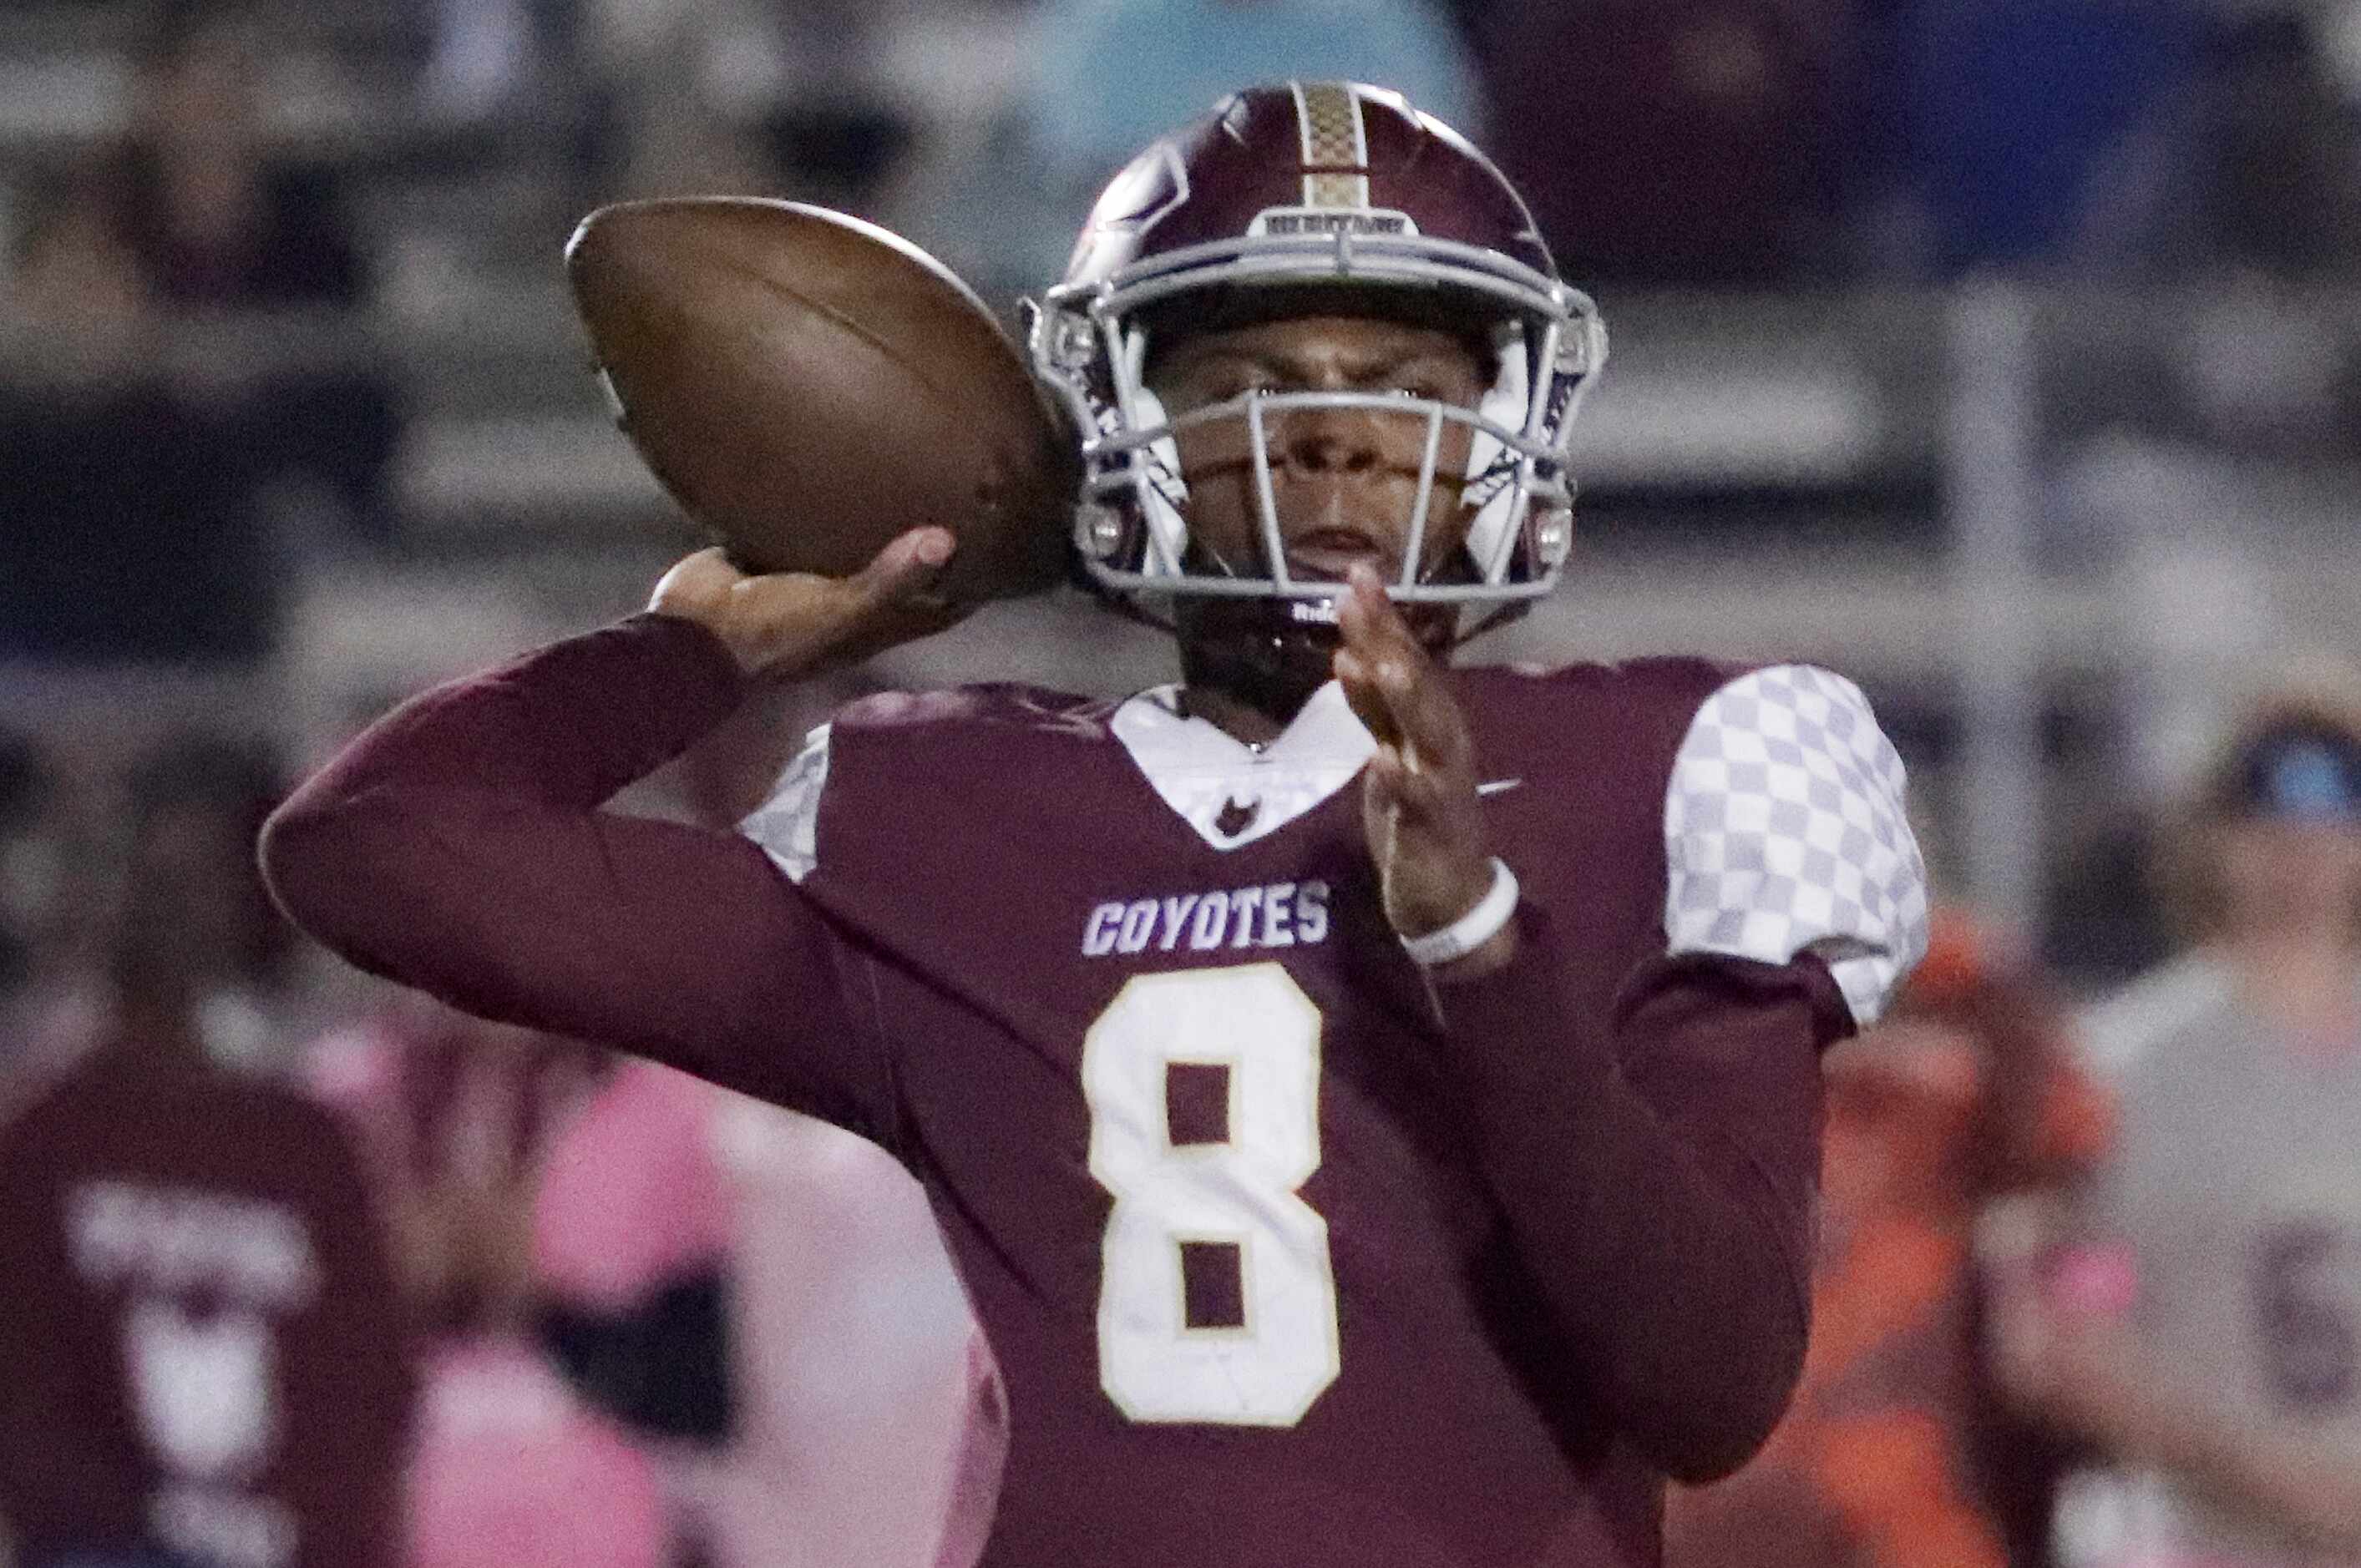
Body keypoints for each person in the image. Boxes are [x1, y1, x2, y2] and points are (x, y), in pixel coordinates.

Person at [261, 81, 1930, 1564]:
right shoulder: (946, 815)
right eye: (1254, 376)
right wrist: (687, 657)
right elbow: (373, 850)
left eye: (1404, 377)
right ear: (1124, 433)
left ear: (1504, 430)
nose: (1335, 428)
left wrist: (1479, 948)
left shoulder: (1687, 761)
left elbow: (1713, 1387)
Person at [0, 739, 415, 1568]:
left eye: (204, 885)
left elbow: (367, 1389)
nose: (177, 918)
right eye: (152, 885)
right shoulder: (46, 1135)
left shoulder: (308, 1145)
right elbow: (24, 1405)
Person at [1984, 688, 2361, 1565]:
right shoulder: (2117, 1076)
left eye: (2333, 821)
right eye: (2266, 823)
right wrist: (2268, 1476)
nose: (2300, 856)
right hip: (2200, 1536)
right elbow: (2066, 1327)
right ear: (2212, 838)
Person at [1664, 911, 2113, 1568]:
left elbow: (2073, 1136)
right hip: (1711, 1508)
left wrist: (1934, 946)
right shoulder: (1678, 1042)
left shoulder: (1953, 1081)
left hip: (1905, 1498)